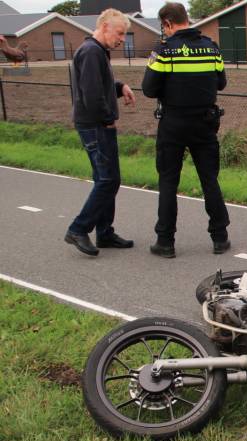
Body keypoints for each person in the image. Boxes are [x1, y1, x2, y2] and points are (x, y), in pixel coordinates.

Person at [142, 2, 230, 259]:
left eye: (163, 27)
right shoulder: (211, 47)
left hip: (173, 124)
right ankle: (220, 237)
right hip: (204, 123)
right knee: (209, 180)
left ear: (168, 23)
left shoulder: (164, 51)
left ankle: (165, 241)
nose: (164, 32)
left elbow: (148, 89)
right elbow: (221, 83)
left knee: (168, 181)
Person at [64, 9, 136, 257]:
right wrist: (107, 120)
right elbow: (91, 94)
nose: (122, 39)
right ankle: (78, 228)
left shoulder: (97, 51)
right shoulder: (92, 51)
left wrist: (120, 86)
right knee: (108, 180)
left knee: (105, 180)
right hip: (95, 126)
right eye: (119, 32)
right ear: (105, 26)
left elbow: (99, 85)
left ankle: (104, 233)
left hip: (94, 124)